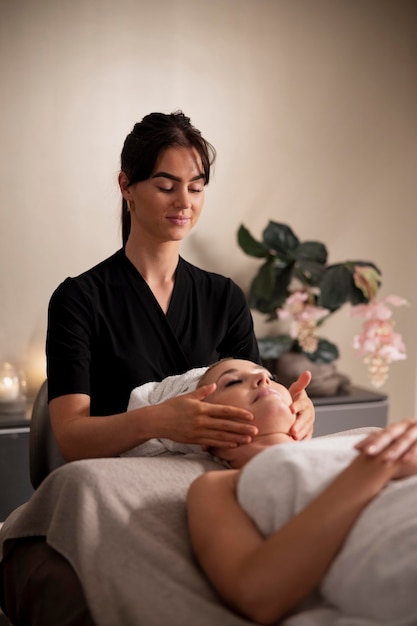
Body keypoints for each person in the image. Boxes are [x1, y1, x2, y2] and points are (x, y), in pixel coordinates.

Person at [0, 111, 315, 626]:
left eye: (196, 186)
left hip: (217, 482)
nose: (184, 202)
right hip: (126, 485)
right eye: (166, 185)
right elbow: (72, 436)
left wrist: (298, 412)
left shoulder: (222, 297)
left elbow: (260, 399)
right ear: (126, 185)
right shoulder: (80, 299)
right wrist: (160, 421)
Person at [187, 358, 417, 625]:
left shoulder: (362, 439)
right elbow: (257, 596)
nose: (263, 380)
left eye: (270, 376)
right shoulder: (217, 485)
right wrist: (374, 469)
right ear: (202, 427)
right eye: (233, 381)